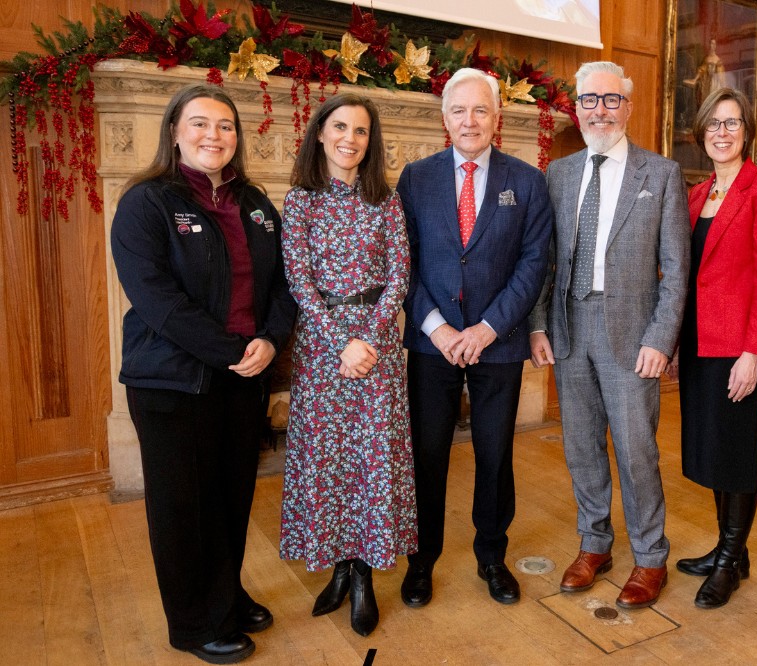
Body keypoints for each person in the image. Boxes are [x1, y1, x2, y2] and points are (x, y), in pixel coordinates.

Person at [110, 84, 297, 664]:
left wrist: (268, 338)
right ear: (174, 132)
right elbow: (157, 299)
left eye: (225, 126)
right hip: (172, 381)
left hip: (244, 374)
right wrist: (230, 350)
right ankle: (192, 623)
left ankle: (224, 595)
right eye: (199, 124)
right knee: (183, 506)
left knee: (231, 497)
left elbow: (283, 286)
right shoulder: (147, 202)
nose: (213, 135)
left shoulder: (257, 204)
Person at [529, 61, 690, 610]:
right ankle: (595, 543)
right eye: (590, 100)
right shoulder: (559, 173)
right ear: (577, 108)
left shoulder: (661, 174)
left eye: (611, 100)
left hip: (632, 336)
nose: (600, 109)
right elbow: (545, 260)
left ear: (628, 106)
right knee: (581, 448)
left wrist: (660, 339)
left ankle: (650, 556)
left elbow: (676, 267)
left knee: (636, 449)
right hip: (570, 329)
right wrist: (538, 324)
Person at [397, 68, 553, 607]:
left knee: (494, 454)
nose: (470, 121)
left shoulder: (528, 181)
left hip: (499, 342)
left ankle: (492, 555)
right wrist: (438, 329)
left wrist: (487, 329)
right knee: (428, 453)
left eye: (480, 110)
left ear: (496, 118)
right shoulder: (415, 179)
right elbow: (403, 266)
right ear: (444, 119)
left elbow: (534, 264)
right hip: (431, 344)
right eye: (459, 111)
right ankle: (422, 561)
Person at [278, 93, 417, 637]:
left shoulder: (385, 199)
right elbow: (298, 281)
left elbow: (400, 276)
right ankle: (337, 567)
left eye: (361, 131)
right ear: (319, 133)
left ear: (370, 141)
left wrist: (370, 338)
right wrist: (341, 342)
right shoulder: (301, 201)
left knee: (372, 460)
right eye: (340, 127)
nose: (349, 139)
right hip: (322, 350)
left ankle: (364, 576)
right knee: (329, 462)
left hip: (378, 349)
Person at [669, 87, 757, 609]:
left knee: (737, 450)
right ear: (702, 134)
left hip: (739, 343)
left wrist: (754, 351)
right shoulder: (697, 195)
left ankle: (728, 561)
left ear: (747, 132)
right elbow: (683, 274)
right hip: (699, 340)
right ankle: (732, 549)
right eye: (714, 124)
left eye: (732, 123)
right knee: (712, 446)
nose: (722, 133)